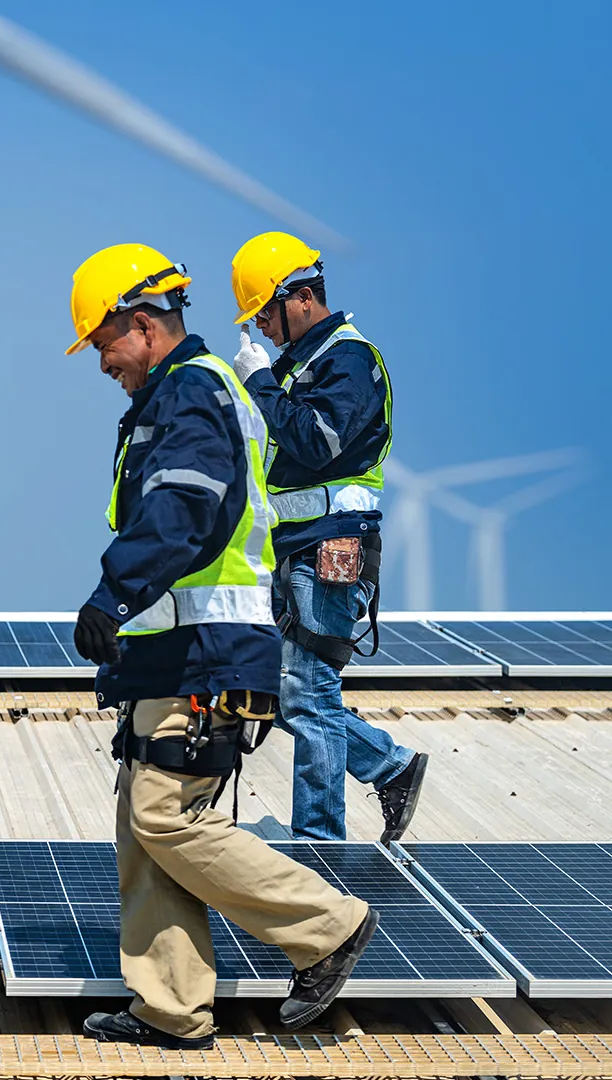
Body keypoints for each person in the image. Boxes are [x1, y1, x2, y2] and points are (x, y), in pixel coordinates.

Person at [66, 244, 378, 1048]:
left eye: (103, 343)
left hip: (206, 652)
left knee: (168, 818)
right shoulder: (181, 396)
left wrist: (114, 593)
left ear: (142, 323)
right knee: (144, 825)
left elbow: (182, 508)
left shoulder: (192, 395)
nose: (101, 363)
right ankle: (171, 1007)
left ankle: (327, 925)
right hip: (169, 656)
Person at [228, 233, 427, 842]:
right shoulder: (299, 366)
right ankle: (389, 766)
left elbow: (316, 442)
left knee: (309, 697)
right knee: (287, 694)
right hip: (296, 547)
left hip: (331, 545)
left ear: (303, 296)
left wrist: (260, 385)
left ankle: (320, 849)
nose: (260, 326)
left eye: (265, 310)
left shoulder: (348, 360)